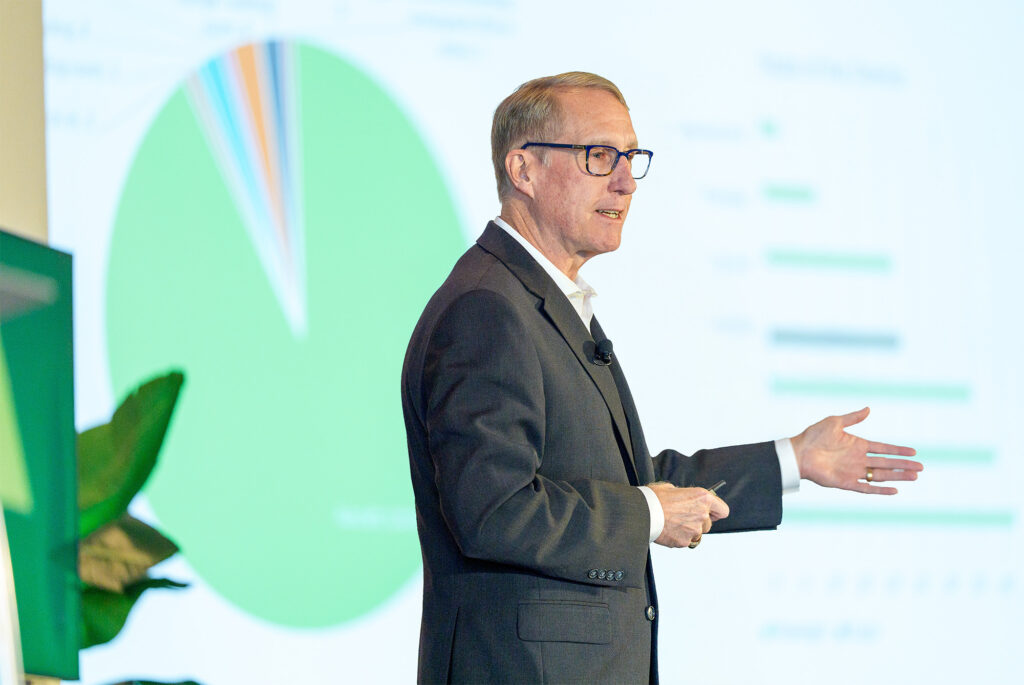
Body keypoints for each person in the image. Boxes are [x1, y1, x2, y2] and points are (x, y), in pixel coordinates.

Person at [400, 72, 922, 684]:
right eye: (599, 156)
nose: (625, 180)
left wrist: (792, 460)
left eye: (631, 157)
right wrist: (649, 514)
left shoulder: (541, 300)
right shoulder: (489, 308)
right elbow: (495, 509)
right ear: (524, 170)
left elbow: (622, 480)